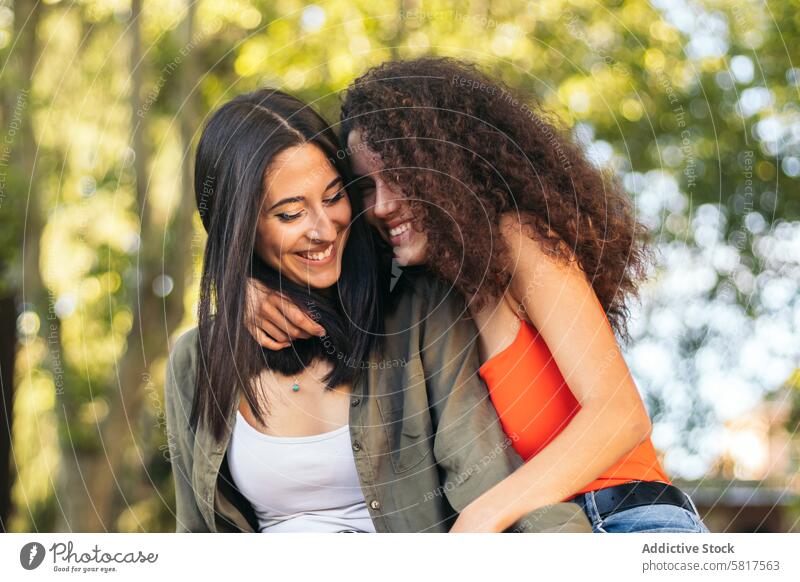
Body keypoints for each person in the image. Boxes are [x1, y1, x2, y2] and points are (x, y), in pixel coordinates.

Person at [247, 58, 709, 534]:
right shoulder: (426, 295)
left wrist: (484, 515)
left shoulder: (518, 243)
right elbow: (328, 280)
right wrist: (246, 290)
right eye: (368, 187)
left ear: (446, 167)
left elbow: (620, 415)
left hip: (628, 518)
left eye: (401, 176)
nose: (382, 205)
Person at [164, 87, 590, 533]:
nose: (325, 230)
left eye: (333, 197)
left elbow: (484, 474)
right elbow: (195, 535)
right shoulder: (197, 362)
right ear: (239, 228)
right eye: (291, 215)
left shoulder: (417, 313)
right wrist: (238, 298)